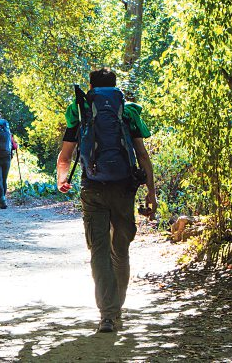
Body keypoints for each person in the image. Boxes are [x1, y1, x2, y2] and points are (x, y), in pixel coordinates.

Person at [56, 68, 157, 333]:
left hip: (92, 188)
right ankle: (116, 310)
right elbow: (142, 156)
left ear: (91, 86)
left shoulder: (80, 110)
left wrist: (61, 180)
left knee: (99, 252)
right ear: (115, 86)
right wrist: (151, 193)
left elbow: (65, 157)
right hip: (124, 188)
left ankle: (107, 315)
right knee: (120, 251)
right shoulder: (127, 111)